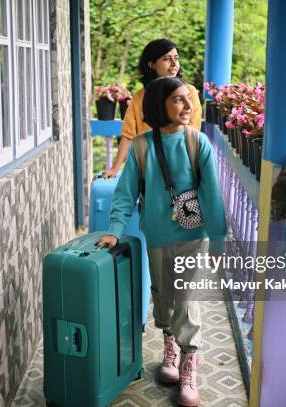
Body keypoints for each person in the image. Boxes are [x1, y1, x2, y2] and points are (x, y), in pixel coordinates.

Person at [97, 77, 227, 406]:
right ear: (160, 105)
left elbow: (212, 195)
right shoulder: (142, 146)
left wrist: (218, 239)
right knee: (164, 296)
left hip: (192, 237)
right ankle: (170, 343)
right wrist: (113, 228)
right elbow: (125, 195)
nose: (187, 106)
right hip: (157, 236)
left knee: (185, 298)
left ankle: (189, 360)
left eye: (188, 99)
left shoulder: (198, 143)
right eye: (178, 100)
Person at [102, 38, 202, 178]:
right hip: (148, 170)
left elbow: (193, 131)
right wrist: (114, 169)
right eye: (167, 59)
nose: (174, 64)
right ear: (151, 65)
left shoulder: (189, 92)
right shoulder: (139, 98)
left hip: (181, 168)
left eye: (176, 58)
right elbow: (128, 136)